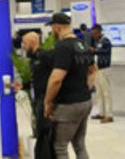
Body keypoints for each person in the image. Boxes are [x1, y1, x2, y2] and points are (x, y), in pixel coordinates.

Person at [44, 13, 97, 159]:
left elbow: (56, 79)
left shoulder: (63, 47)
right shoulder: (82, 44)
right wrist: (85, 87)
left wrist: (48, 101)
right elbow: (93, 70)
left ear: (57, 27)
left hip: (68, 104)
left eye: (52, 28)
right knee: (80, 145)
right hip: (85, 101)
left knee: (60, 147)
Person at [21, 31, 55, 159]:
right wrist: (23, 86)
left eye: (25, 43)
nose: (23, 47)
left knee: (45, 135)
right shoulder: (33, 59)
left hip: (46, 100)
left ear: (32, 42)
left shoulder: (45, 56)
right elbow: (34, 78)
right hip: (38, 100)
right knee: (41, 133)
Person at [89, 24, 113, 124]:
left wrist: (95, 50)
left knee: (106, 92)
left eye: (94, 33)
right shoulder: (98, 42)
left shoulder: (106, 41)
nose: (93, 35)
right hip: (97, 69)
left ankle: (109, 115)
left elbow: (104, 51)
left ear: (99, 32)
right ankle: (101, 112)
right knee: (99, 92)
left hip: (104, 69)